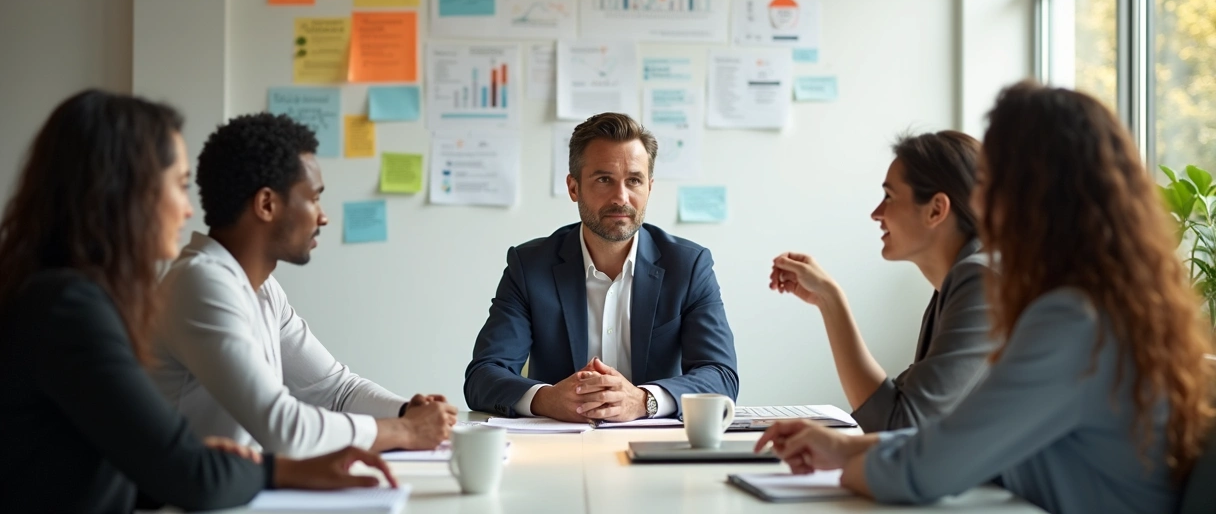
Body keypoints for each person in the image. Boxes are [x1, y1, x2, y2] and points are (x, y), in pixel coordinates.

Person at [757, 82, 1216, 514]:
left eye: (989, 181)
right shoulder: (1099, 304)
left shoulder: (1071, 320)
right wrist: (845, 447)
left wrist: (848, 461)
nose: (978, 199)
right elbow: (967, 442)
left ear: (1027, 196)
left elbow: (926, 468)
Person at [0, 90, 395, 512]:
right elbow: (189, 477)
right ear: (125, 192)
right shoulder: (70, 308)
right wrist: (272, 470)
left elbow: (129, 467)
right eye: (179, 185)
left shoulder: (66, 298)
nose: (189, 210)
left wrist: (213, 461)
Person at [151, 113, 456, 457]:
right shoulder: (201, 283)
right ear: (267, 204)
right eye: (313, 198)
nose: (323, 216)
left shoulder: (262, 289)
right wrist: (406, 430)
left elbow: (334, 391)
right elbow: (285, 429)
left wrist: (409, 412)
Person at [464, 112, 738, 422]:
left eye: (633, 180)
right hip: (558, 448)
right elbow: (483, 376)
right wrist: (547, 399)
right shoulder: (529, 267)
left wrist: (644, 400)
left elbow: (721, 376)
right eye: (604, 179)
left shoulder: (688, 267)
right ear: (574, 187)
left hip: (657, 444)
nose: (620, 198)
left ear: (649, 187)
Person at [769, 131, 992, 431]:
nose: (877, 213)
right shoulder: (953, 287)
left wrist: (832, 300)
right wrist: (826, 299)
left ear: (937, 209)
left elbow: (900, 424)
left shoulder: (982, 282)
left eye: (889, 196)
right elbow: (897, 407)